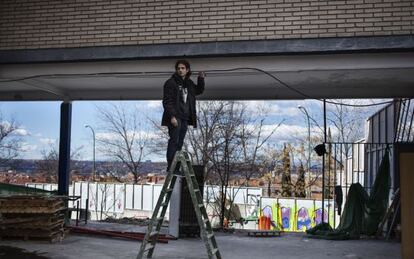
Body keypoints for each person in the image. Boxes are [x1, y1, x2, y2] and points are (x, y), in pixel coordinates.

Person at [162, 60, 205, 171]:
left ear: (187, 70)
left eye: (182, 68)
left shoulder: (189, 83)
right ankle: (171, 166)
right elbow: (167, 101)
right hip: (176, 117)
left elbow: (199, 90)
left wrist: (201, 78)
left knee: (180, 142)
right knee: (174, 141)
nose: (180, 70)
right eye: (178, 68)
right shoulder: (171, 83)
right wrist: (172, 116)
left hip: (185, 118)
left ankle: (176, 165)